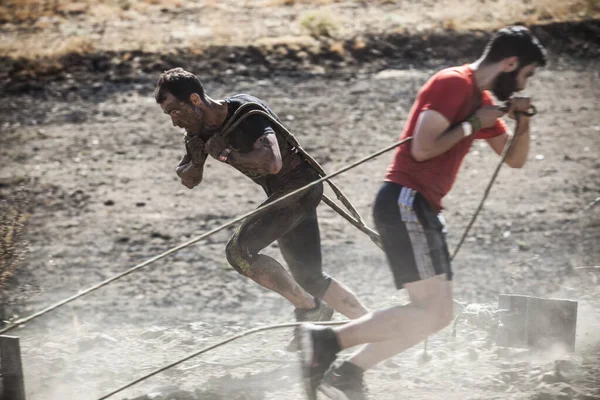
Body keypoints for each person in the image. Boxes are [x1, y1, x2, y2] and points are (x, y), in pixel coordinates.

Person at [296, 25, 547, 400]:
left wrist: (522, 121)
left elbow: (514, 159)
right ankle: (325, 341)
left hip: (422, 207)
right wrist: (474, 123)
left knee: (438, 316)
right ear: (510, 62)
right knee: (429, 311)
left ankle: (347, 372)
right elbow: (422, 149)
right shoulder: (453, 83)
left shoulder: (478, 99)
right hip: (405, 200)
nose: (523, 83)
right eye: (526, 74)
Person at [154, 68, 368, 332]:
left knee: (238, 251)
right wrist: (195, 161)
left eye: (175, 111)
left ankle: (310, 306)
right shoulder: (199, 132)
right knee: (309, 276)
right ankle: (375, 325)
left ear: (195, 99)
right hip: (287, 196)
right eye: (169, 115)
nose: (175, 122)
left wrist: (226, 156)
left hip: (299, 188)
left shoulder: (246, 113)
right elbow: (189, 179)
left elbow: (272, 162)